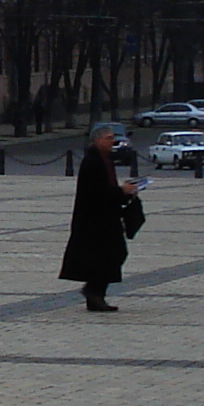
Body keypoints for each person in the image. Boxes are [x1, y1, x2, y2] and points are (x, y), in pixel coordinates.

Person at [59, 122, 137, 311]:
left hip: (105, 217)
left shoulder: (104, 158)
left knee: (110, 255)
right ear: (97, 140)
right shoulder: (93, 161)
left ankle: (94, 294)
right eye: (109, 138)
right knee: (108, 255)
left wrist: (124, 193)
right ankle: (94, 293)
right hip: (94, 220)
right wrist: (121, 191)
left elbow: (106, 190)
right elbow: (98, 192)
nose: (113, 141)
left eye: (113, 138)